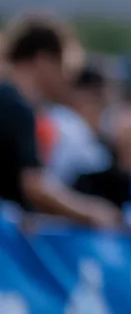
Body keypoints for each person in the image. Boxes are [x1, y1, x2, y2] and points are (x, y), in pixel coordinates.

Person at [0, 14, 120, 228]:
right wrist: (91, 212)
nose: (68, 77)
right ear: (43, 60)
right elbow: (33, 186)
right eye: (65, 66)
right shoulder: (18, 107)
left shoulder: (10, 100)